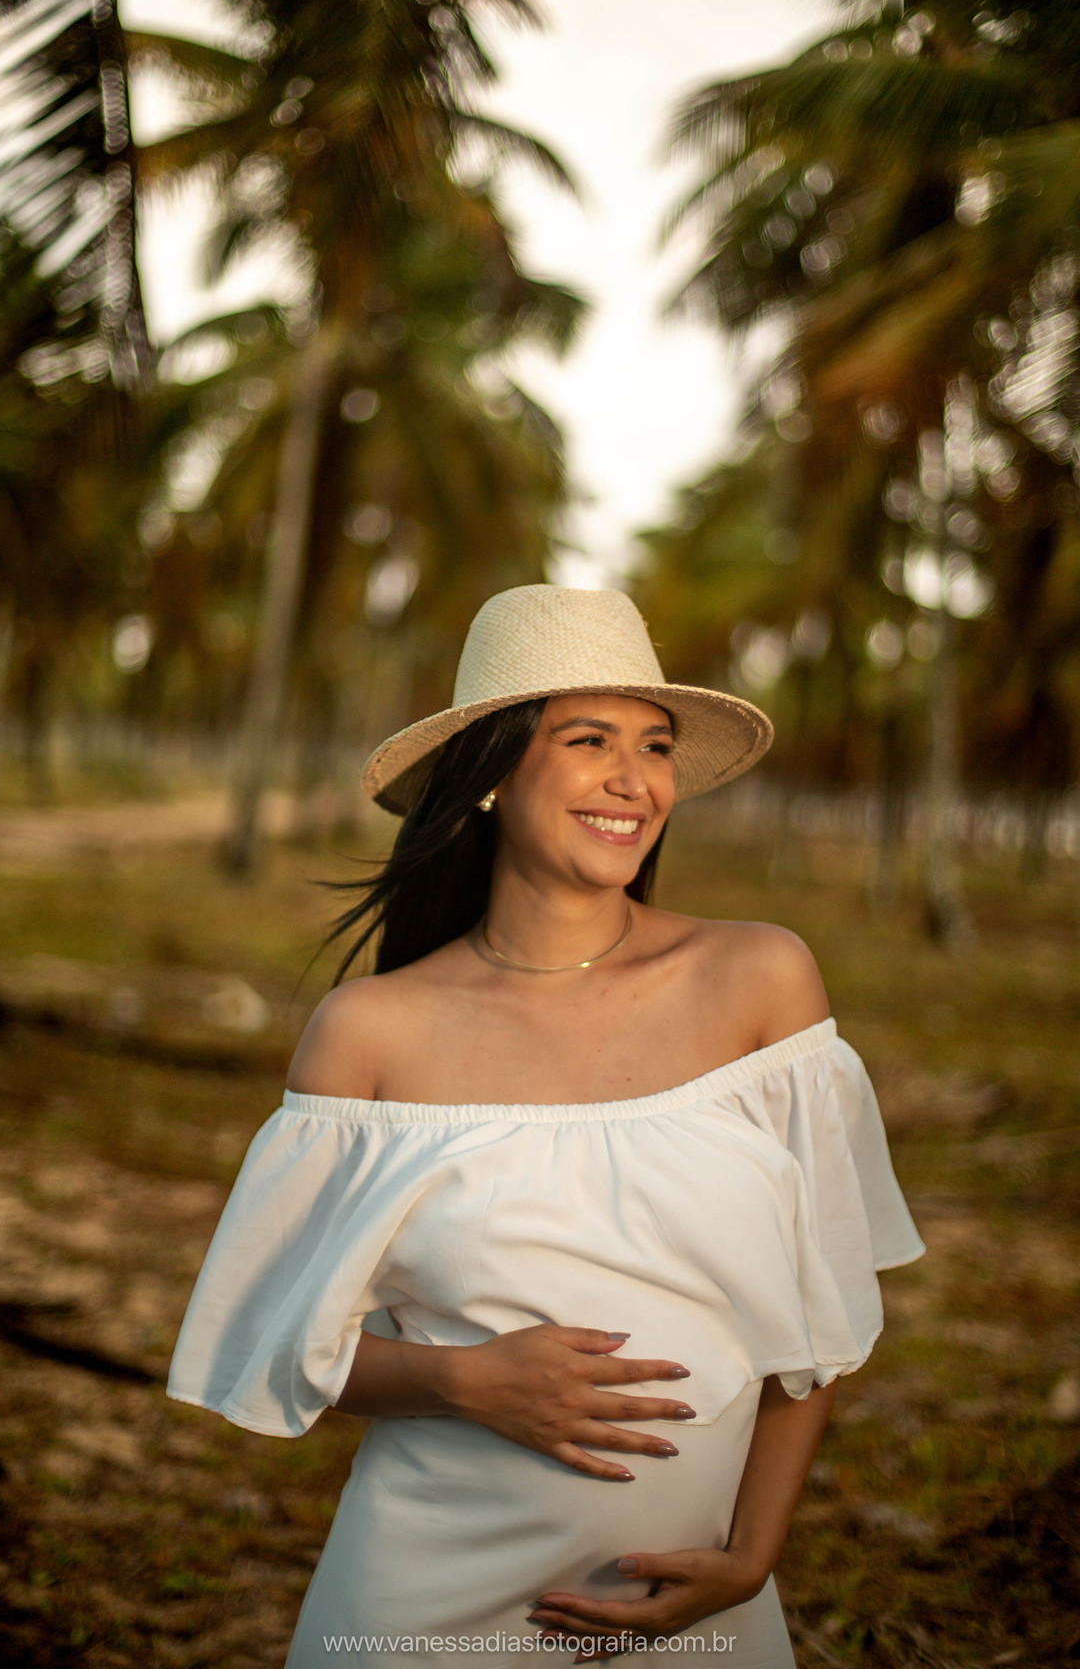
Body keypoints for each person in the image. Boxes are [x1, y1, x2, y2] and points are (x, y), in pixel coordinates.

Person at [168, 584, 924, 1668]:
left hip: (695, 1606)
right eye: (589, 740)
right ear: (491, 776)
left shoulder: (761, 978)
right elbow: (276, 1336)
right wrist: (460, 1381)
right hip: (420, 1602)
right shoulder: (374, 1030)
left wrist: (754, 1553)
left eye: (655, 747)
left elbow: (825, 1306)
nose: (635, 780)